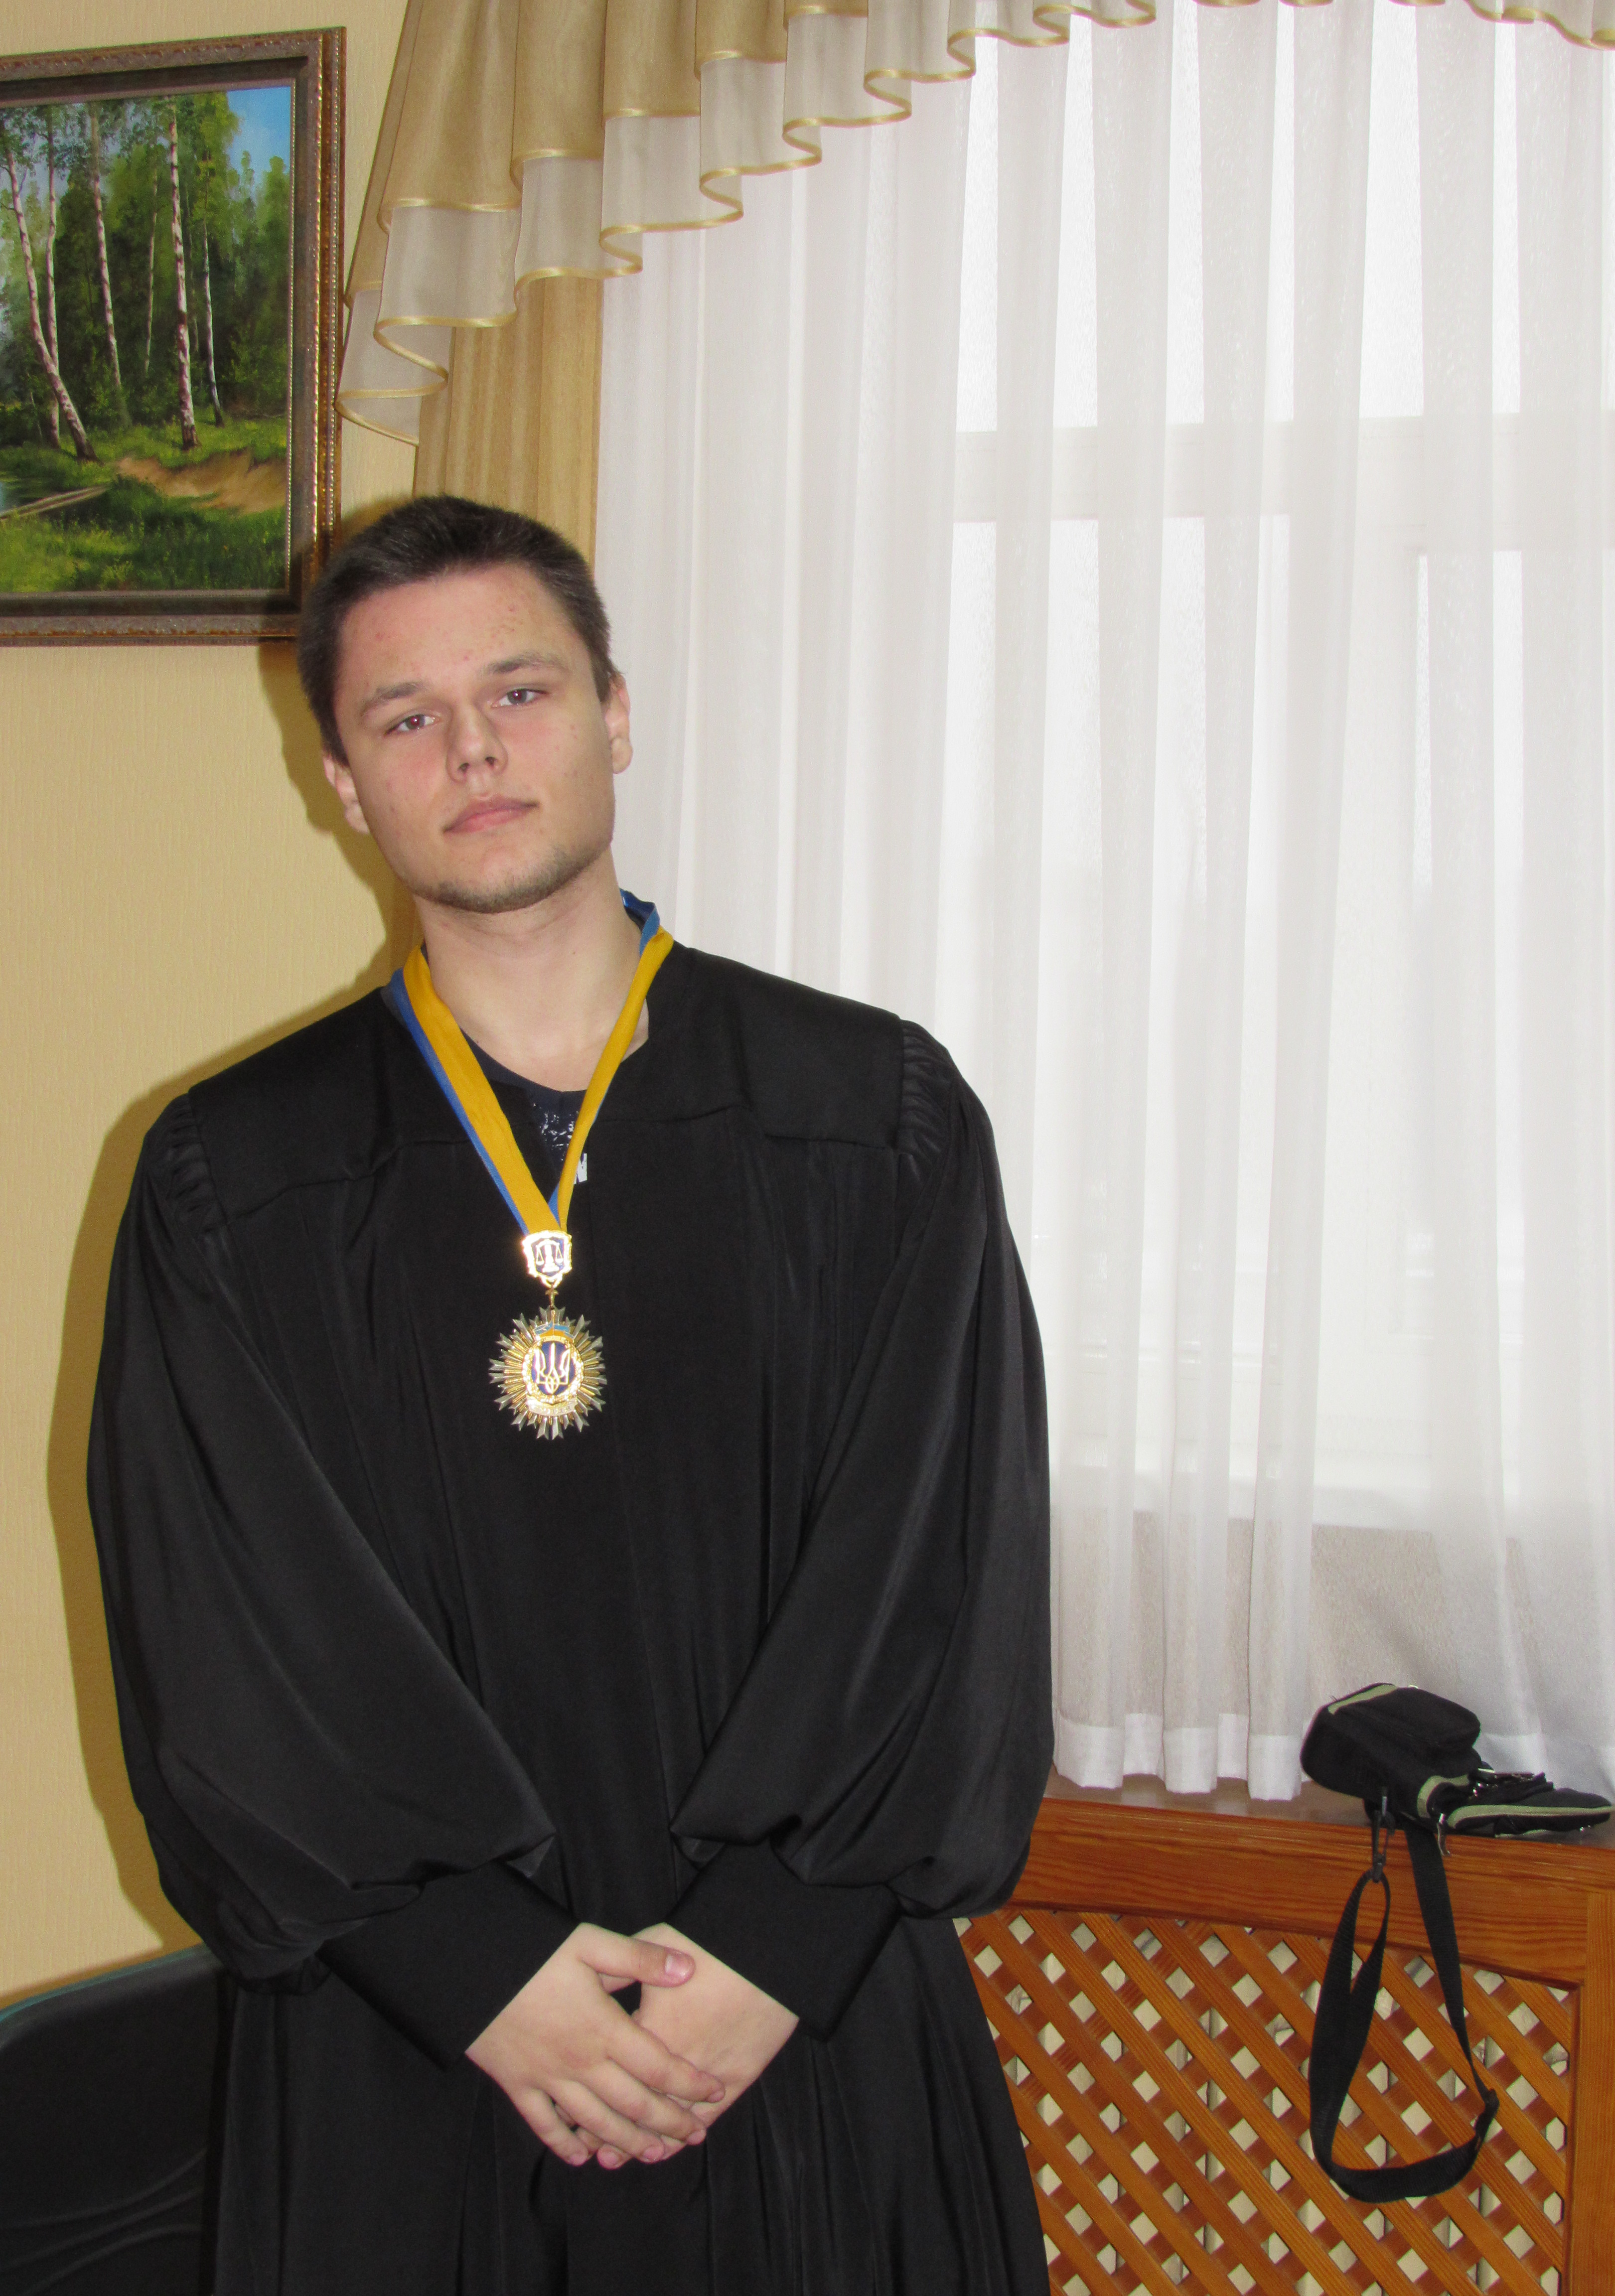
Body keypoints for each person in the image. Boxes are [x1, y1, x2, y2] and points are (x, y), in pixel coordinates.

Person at [88, 495, 1053, 2295]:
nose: (473, 750)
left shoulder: (875, 1119)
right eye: (407, 717)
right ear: (342, 781)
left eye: (519, 692)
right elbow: (226, 1637)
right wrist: (478, 1972)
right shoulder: (234, 1180)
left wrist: (767, 1947)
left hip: (803, 2040)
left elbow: (942, 1566)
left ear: (615, 713)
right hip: (417, 2066)